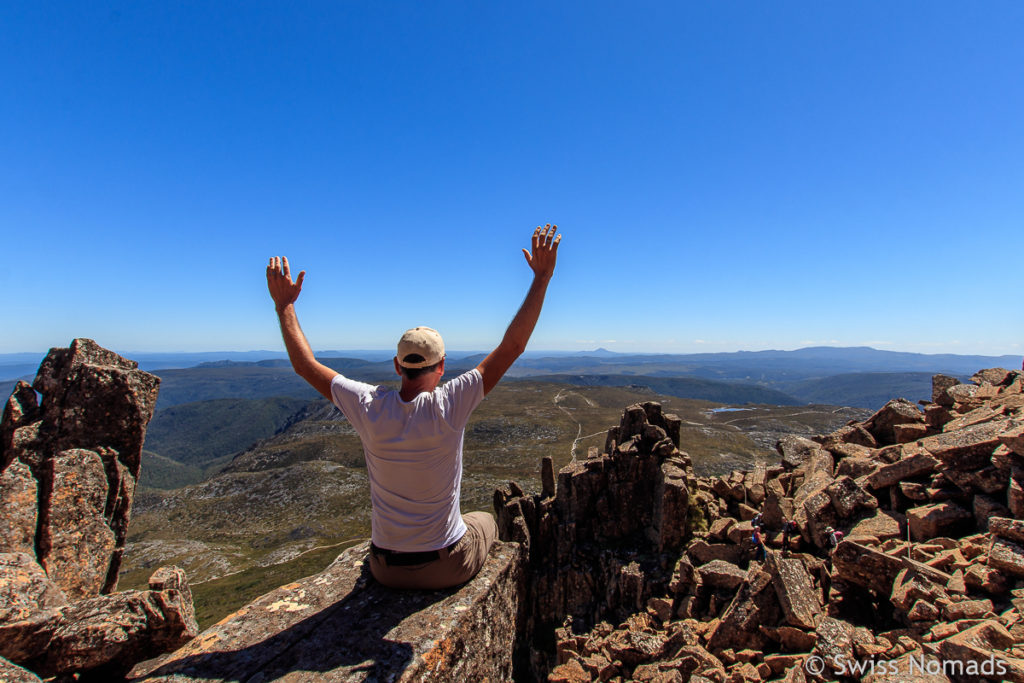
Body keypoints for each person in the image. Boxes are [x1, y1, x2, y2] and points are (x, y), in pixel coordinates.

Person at [266, 225, 562, 590]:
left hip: (383, 567)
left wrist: (285, 306)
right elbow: (513, 346)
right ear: (441, 368)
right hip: (444, 565)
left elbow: (304, 365)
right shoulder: (450, 403)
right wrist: (543, 277)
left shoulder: (368, 405)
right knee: (484, 519)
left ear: (397, 366)